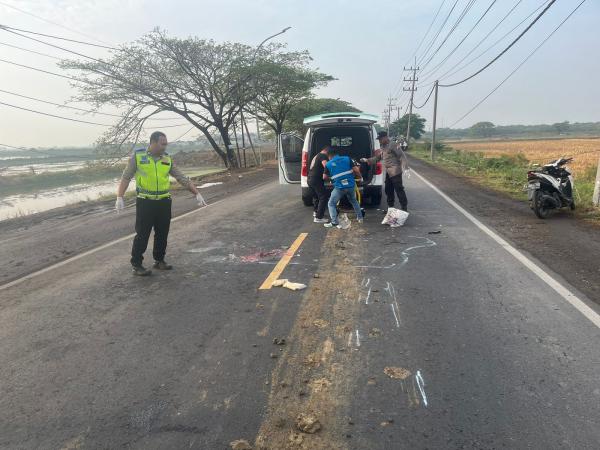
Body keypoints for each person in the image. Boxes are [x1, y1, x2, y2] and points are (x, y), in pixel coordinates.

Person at [115, 131, 206, 276]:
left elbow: (181, 178)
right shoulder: (138, 157)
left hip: (164, 202)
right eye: (162, 144)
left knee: (162, 233)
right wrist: (120, 196)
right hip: (145, 202)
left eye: (166, 144)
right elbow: (126, 177)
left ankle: (159, 260)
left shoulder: (167, 159)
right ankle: (137, 264)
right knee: (142, 234)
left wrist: (197, 193)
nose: (165, 147)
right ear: (153, 142)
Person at [362, 131, 408, 211]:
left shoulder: (394, 144)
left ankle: (404, 208)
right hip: (389, 172)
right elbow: (378, 158)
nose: (379, 141)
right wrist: (367, 160)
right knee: (388, 190)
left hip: (395, 171)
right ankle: (390, 208)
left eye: (380, 139)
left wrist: (406, 168)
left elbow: (402, 156)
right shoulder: (383, 147)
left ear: (385, 137)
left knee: (399, 190)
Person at [323, 147, 363, 228]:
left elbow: (324, 177)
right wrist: (361, 178)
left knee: (331, 203)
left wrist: (331, 179)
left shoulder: (328, 164)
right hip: (351, 185)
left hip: (339, 188)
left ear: (329, 156)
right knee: (354, 201)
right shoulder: (347, 159)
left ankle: (334, 222)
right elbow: (356, 170)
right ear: (337, 154)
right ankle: (360, 218)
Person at [308, 145, 331, 223]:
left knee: (316, 196)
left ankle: (316, 212)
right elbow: (327, 166)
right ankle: (319, 217)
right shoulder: (323, 156)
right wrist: (330, 174)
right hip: (316, 179)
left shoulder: (317, 155)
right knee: (323, 197)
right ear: (327, 152)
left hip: (310, 178)